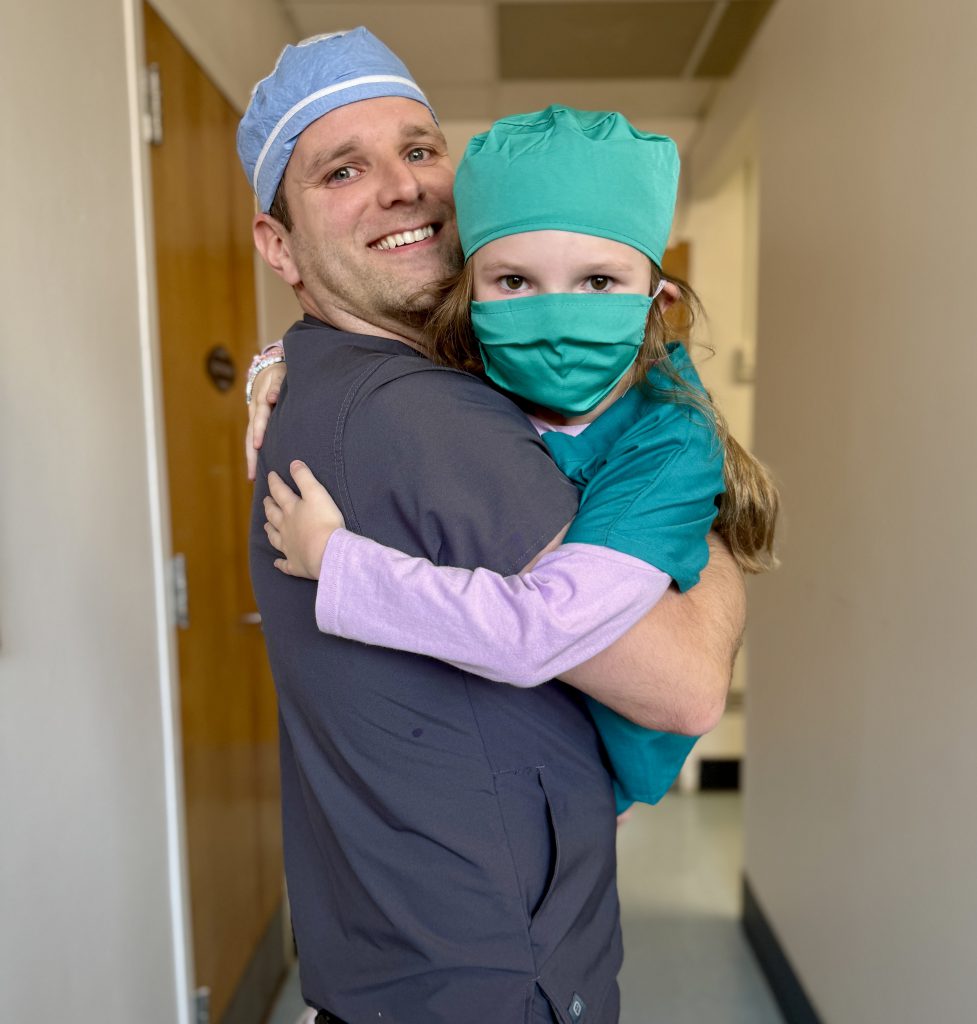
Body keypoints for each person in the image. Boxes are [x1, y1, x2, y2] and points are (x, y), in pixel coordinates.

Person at [239, 28, 744, 1024]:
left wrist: (271, 358)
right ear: (278, 244)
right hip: (490, 976)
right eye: (343, 170)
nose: (404, 188)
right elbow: (682, 681)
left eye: (420, 150)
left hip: (393, 957)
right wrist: (710, 540)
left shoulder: (353, 377)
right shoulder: (432, 413)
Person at [257, 106, 778, 816]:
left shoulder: (666, 447)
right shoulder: (484, 364)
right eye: (514, 283)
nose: (554, 317)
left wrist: (337, 562)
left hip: (596, 766)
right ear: (468, 295)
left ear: (661, 298)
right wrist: (280, 356)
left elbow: (542, 634)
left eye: (598, 283)